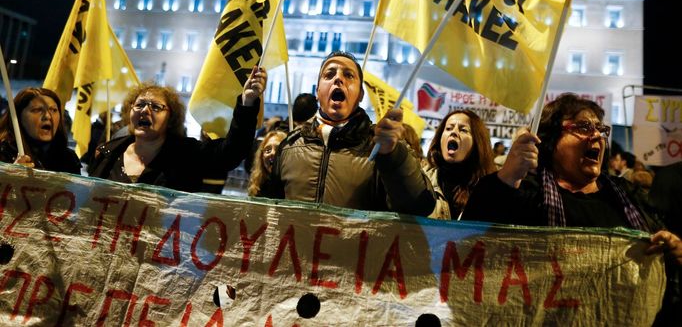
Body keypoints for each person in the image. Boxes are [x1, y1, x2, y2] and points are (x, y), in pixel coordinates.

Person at [463, 93, 681, 323]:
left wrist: (674, 250)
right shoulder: (527, 193)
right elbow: (469, 246)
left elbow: (662, 255)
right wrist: (506, 176)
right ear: (551, 141)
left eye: (600, 129)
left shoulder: (628, 196)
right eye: (584, 127)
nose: (597, 135)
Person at [261, 51, 435, 216]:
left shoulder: (379, 146)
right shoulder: (290, 146)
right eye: (329, 74)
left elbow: (420, 206)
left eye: (349, 75)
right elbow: (272, 213)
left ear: (360, 94)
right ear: (317, 91)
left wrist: (393, 156)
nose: (338, 79)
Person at [88, 67, 266, 192]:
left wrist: (247, 103)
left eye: (156, 107)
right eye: (140, 104)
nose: (145, 110)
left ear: (171, 117)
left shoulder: (187, 155)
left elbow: (231, 152)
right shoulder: (108, 153)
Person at [425, 110, 496, 220]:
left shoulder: (489, 188)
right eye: (448, 128)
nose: (453, 132)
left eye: (463, 130)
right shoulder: (424, 179)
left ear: (477, 143)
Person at [0, 87, 80, 174]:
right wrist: (8, 176)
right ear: (18, 117)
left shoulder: (69, 158)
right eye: (37, 110)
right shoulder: (3, 153)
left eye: (53, 110)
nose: (48, 116)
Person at [248, 130, 287, 197]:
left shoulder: (290, 187)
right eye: (268, 150)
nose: (272, 153)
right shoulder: (258, 186)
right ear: (261, 157)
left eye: (278, 149)